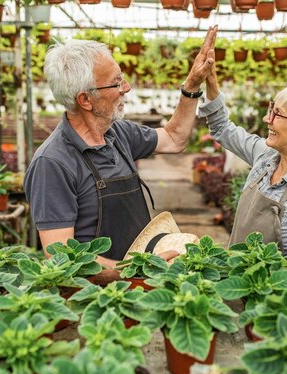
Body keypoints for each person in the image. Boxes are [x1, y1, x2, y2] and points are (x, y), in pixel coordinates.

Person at [24, 26, 218, 269]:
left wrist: (191, 86)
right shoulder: (52, 164)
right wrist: (132, 270)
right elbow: (61, 259)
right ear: (85, 99)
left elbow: (174, 137)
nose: (126, 88)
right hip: (95, 297)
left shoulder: (118, 133)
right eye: (116, 83)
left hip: (138, 282)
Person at [198, 66, 287, 255]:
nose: (267, 118)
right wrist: (211, 81)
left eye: (277, 114)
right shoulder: (265, 155)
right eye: (271, 109)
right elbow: (221, 128)